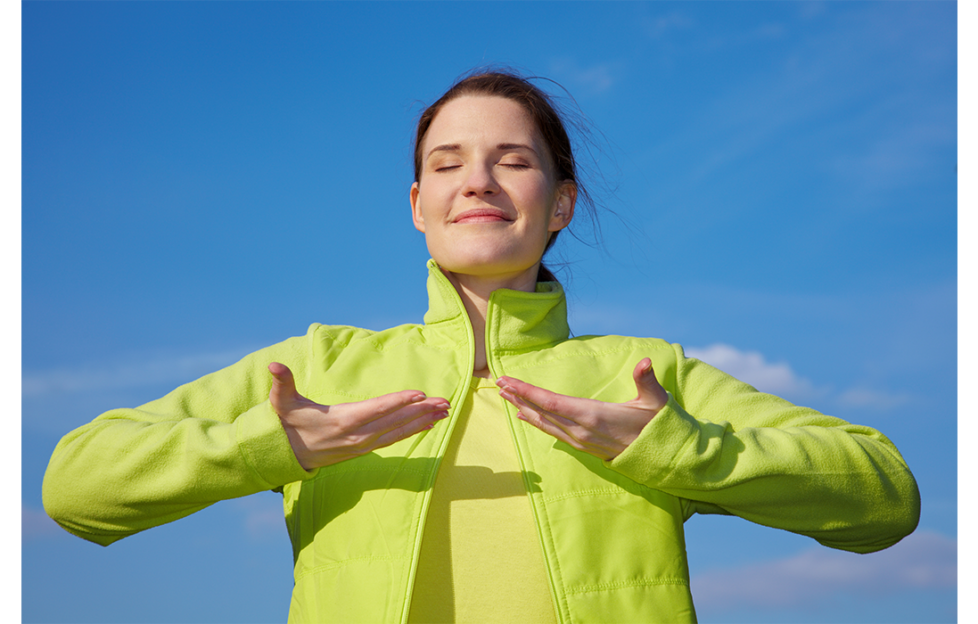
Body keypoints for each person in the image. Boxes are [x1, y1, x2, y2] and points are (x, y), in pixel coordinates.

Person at [43, 71, 920, 624]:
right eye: (449, 161)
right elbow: (78, 486)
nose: (479, 181)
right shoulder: (314, 368)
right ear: (418, 202)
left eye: (514, 159)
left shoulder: (644, 375)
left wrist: (674, 449)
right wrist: (277, 444)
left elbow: (885, 497)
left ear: (562, 202)